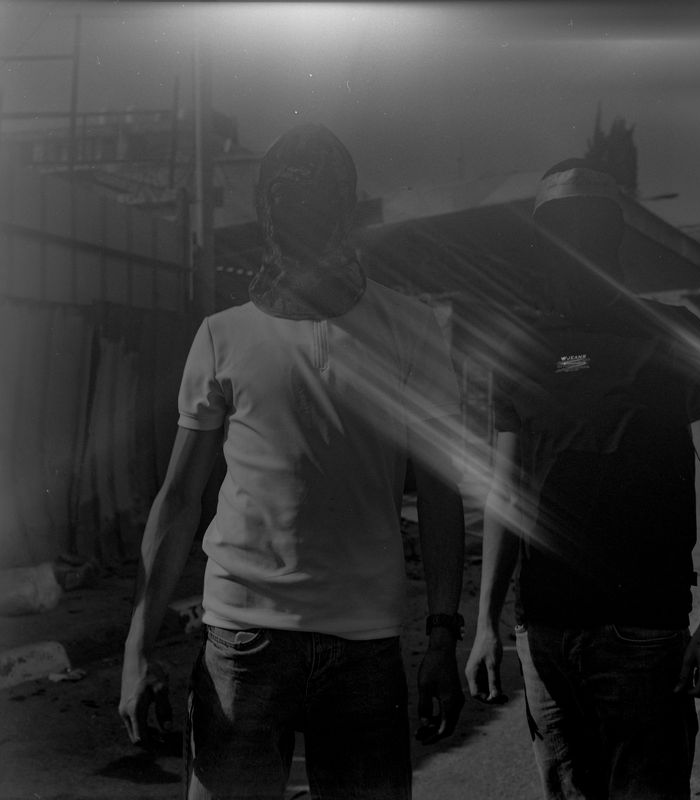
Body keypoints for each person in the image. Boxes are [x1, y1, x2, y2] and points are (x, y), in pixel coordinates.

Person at [119, 123, 466, 800]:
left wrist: (444, 639)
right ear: (270, 215)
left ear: (346, 209)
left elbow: (441, 491)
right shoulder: (223, 335)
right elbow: (179, 499)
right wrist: (136, 648)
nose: (304, 218)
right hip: (244, 643)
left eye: (319, 200)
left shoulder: (412, 328)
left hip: (362, 645)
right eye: (289, 202)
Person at [465, 159, 700, 800]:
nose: (574, 243)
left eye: (588, 227)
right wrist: (486, 624)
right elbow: (505, 491)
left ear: (612, 235)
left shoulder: (676, 332)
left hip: (644, 633)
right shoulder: (515, 349)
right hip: (544, 635)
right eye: (559, 229)